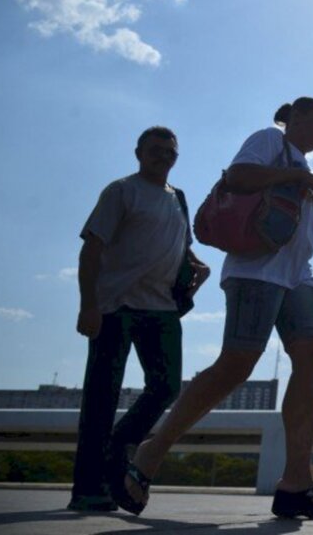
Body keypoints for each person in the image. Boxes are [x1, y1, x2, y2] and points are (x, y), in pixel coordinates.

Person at [116, 97, 313, 521]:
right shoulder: (268, 141)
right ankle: (153, 448)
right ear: (292, 118)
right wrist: (295, 176)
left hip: (298, 274)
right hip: (256, 271)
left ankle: (296, 481)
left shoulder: (309, 172)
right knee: (237, 365)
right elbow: (238, 177)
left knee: (310, 356)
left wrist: (306, 181)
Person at [69, 126, 210, 512]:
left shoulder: (177, 198)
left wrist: (199, 268)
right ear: (138, 152)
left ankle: (117, 446)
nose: (163, 156)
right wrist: (88, 305)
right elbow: (91, 250)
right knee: (101, 398)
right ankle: (88, 489)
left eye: (170, 151)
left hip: (162, 307)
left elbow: (180, 248)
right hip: (116, 306)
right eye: (155, 150)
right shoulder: (121, 191)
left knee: (165, 387)